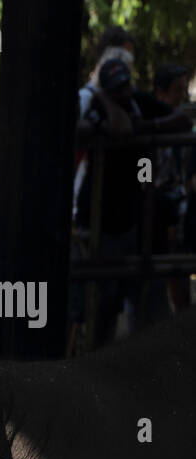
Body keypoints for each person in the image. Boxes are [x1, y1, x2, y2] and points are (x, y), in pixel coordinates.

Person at [74, 58, 146, 347]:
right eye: (118, 88)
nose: (125, 92)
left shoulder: (137, 105)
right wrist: (104, 101)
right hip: (97, 218)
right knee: (96, 297)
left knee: (120, 294)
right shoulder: (95, 108)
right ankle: (91, 350)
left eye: (127, 85)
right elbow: (118, 128)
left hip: (127, 217)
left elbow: (129, 128)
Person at [134, 64, 193, 313]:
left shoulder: (181, 127)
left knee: (180, 270)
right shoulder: (153, 129)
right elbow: (143, 173)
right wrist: (148, 190)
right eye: (177, 90)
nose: (183, 96)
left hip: (178, 206)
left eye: (184, 90)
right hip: (156, 208)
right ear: (161, 92)